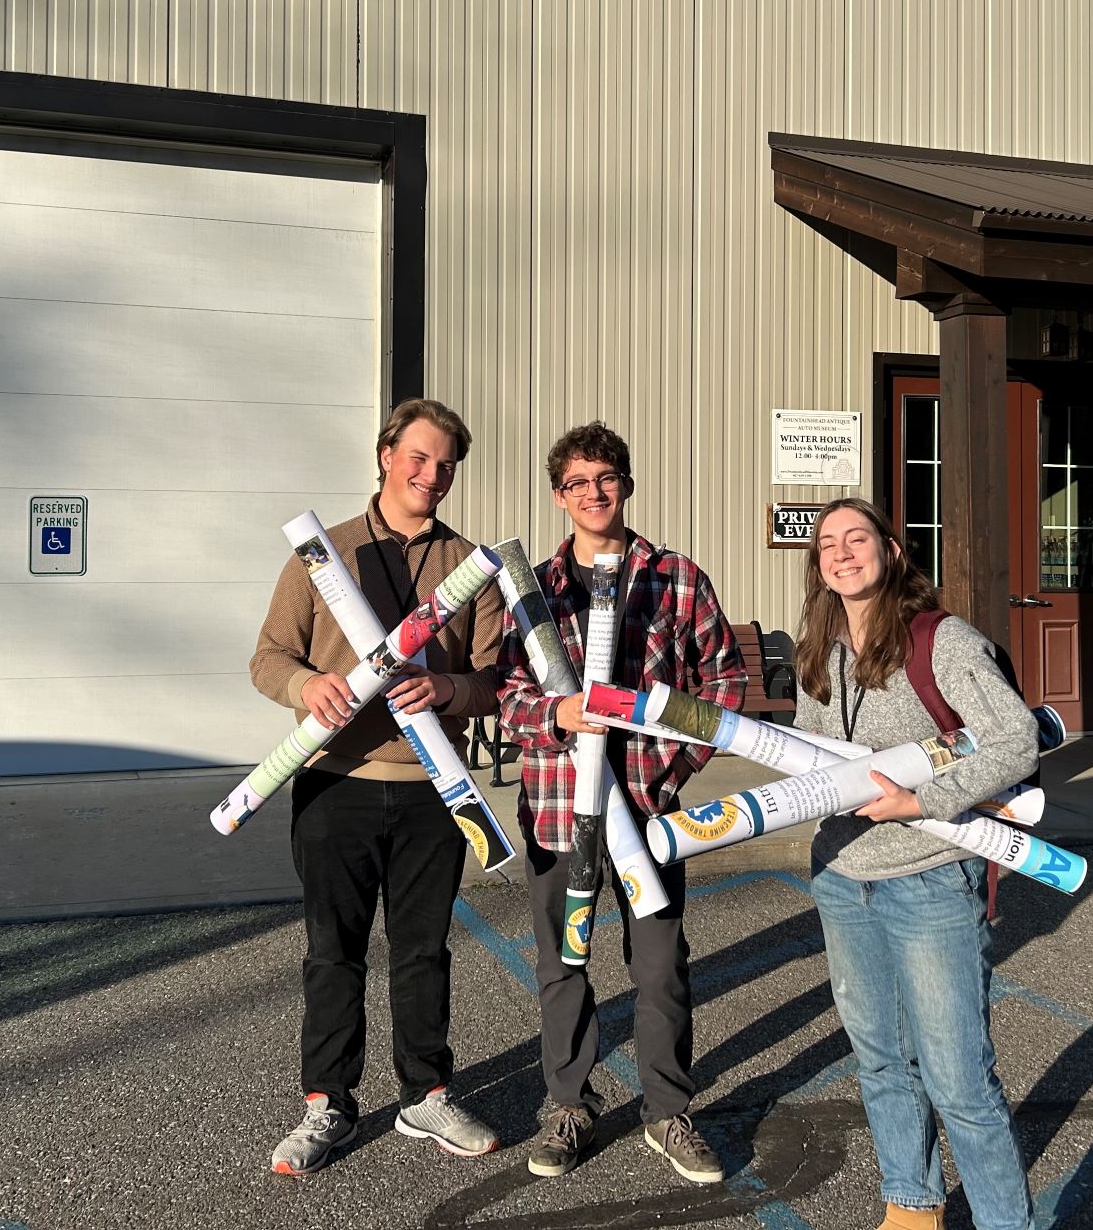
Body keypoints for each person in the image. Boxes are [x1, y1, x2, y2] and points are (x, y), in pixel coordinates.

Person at [249, 398, 505, 1174]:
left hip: (435, 790)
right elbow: (267, 658)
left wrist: (452, 693)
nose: (433, 475)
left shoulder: (469, 567)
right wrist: (306, 688)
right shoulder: (323, 557)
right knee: (335, 953)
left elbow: (497, 681)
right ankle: (327, 1104)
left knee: (423, 950)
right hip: (336, 786)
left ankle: (425, 1096)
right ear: (387, 455)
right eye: (420, 458)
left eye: (447, 464)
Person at [496, 421, 746, 1184]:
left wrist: (671, 768)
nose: (594, 493)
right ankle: (569, 1105)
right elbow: (508, 699)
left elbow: (724, 684)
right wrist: (557, 717)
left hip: (650, 812)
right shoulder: (534, 592)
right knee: (563, 962)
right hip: (556, 808)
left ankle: (668, 1111)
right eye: (578, 483)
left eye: (606, 478)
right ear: (558, 495)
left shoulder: (675, 576)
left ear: (627, 485)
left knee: (661, 964)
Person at [792, 497, 1039, 1230]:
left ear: (892, 550)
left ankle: (1005, 1222)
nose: (841, 553)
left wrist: (925, 803)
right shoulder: (822, 646)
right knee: (879, 1062)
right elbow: (811, 751)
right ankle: (911, 1207)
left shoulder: (942, 639)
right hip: (841, 879)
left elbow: (1014, 739)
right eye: (828, 544)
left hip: (930, 879)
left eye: (856, 538)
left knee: (959, 1079)